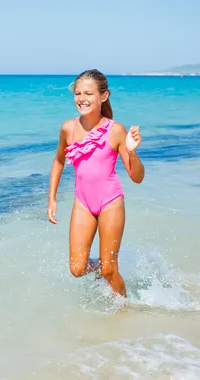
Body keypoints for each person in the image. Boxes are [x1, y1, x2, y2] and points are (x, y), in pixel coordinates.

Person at [47, 69, 145, 297]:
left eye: (89, 93)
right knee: (77, 269)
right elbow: (59, 161)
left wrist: (132, 152)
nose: (82, 98)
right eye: (78, 93)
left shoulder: (116, 130)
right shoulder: (67, 129)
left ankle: (124, 308)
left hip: (110, 201)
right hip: (83, 202)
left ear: (103, 96)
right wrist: (51, 198)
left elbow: (137, 178)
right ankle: (103, 265)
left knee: (110, 270)